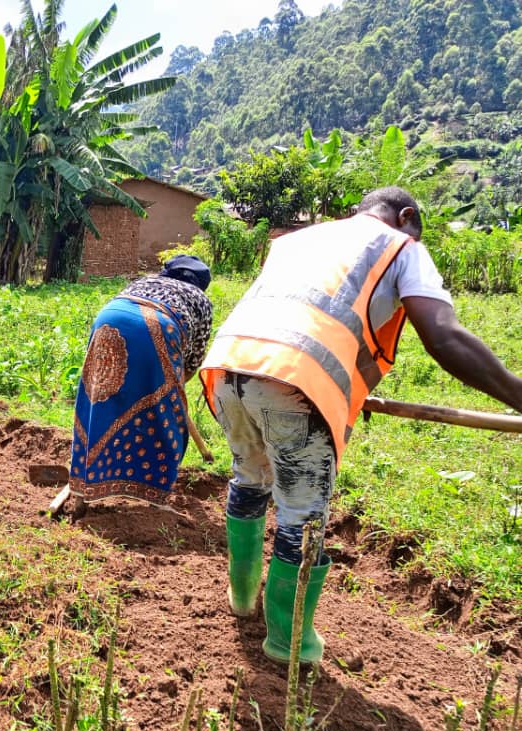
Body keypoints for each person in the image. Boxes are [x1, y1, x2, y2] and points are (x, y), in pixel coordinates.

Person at [199, 186, 522, 665]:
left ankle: (242, 600)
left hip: (229, 366)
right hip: (295, 382)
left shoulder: (299, 239)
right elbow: (445, 335)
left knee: (250, 479)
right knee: (301, 517)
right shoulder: (399, 247)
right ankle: (288, 645)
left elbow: (312, 317)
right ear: (407, 217)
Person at [68, 255, 214, 515]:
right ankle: (156, 500)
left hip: (109, 318)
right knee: (165, 417)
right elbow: (192, 362)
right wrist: (165, 390)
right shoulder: (200, 299)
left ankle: (82, 493)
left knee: (98, 405)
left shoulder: (144, 281)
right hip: (160, 325)